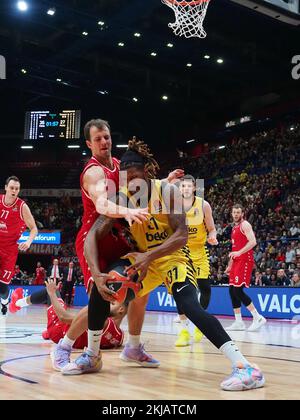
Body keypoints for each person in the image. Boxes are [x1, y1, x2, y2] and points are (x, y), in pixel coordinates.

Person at [62, 139, 265, 392]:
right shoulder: (123, 198)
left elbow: (181, 235)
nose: (130, 183)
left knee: (190, 306)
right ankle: (92, 355)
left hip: (173, 258)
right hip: (144, 260)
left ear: (146, 170)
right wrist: (96, 272)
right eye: (125, 178)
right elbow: (93, 234)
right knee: (104, 284)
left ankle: (246, 368)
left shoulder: (167, 191)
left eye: (134, 176)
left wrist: (148, 257)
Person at [51, 120, 183, 370]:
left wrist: (165, 182)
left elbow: (138, 186)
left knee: (140, 291)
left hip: (120, 235)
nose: (104, 142)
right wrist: (126, 212)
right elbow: (102, 205)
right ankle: (65, 347)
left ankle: (133, 346)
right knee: (100, 298)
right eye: (98, 139)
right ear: (89, 144)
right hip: (96, 237)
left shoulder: (120, 166)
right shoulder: (94, 172)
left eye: (107, 137)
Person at [8, 279, 126, 355]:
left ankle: (17, 304)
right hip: (64, 333)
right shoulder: (119, 337)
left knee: (49, 291)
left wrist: (52, 293)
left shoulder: (99, 317)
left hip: (58, 329)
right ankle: (48, 332)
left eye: (112, 303)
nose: (106, 302)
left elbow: (63, 317)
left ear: (121, 309)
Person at [174, 175, 218, 347]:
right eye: (182, 186)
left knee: (205, 288)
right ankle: (184, 331)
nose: (185, 188)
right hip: (180, 252)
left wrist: (212, 237)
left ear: (194, 188)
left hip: (199, 251)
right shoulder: (174, 206)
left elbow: (212, 229)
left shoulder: (203, 205)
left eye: (188, 186)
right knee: (180, 291)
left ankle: (200, 325)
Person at [0, 176, 38, 315]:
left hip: (10, 250)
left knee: (3, 287)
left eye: (16, 188)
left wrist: (28, 242)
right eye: (11, 188)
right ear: (6, 188)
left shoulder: (22, 207)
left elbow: (34, 228)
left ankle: (5, 301)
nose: (14, 190)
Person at [226, 204, 267, 332]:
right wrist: (230, 265)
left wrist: (239, 253)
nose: (236, 214)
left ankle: (257, 317)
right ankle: (238, 322)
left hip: (244, 260)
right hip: (236, 261)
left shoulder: (245, 225)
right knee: (232, 290)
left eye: (238, 212)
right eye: (234, 212)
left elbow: (253, 241)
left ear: (242, 213)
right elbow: (234, 249)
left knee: (238, 291)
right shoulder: (234, 228)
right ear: (231, 213)